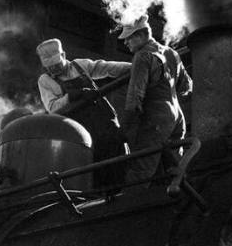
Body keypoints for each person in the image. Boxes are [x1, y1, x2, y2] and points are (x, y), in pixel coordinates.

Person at [36, 38, 131, 189]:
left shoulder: (80, 65)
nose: (53, 69)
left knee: (120, 161)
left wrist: (136, 67)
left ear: (64, 55)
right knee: (95, 170)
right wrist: (73, 96)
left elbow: (108, 68)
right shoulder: (45, 81)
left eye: (56, 64)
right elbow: (53, 108)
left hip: (105, 124)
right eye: (49, 67)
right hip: (81, 132)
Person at [118, 15, 192, 186]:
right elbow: (186, 86)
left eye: (128, 38)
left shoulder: (143, 56)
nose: (125, 43)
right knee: (173, 171)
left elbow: (135, 96)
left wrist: (125, 126)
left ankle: (132, 204)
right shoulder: (172, 53)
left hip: (156, 119)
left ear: (142, 35)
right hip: (176, 118)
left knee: (140, 171)